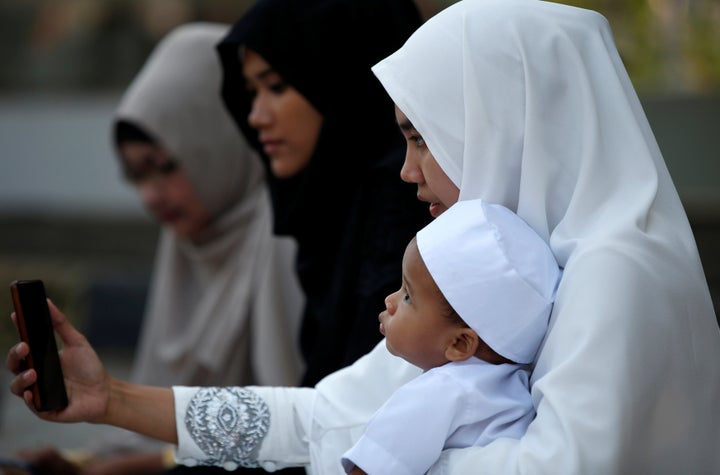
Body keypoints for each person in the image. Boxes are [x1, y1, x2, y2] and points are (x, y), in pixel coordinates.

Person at [8, 0, 720, 473]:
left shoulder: (618, 268)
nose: (407, 170)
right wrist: (116, 399)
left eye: (423, 138)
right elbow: (330, 411)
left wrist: (386, 448)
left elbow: (557, 466)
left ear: (503, 123)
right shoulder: (490, 270)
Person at [15, 22, 304, 475]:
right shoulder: (189, 243)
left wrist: (131, 468)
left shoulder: (288, 237)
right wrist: (85, 463)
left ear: (218, 136)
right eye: (136, 176)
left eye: (164, 167)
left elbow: (305, 430)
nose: (151, 196)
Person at [214, 0, 431, 387]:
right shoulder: (329, 203)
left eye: (277, 86)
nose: (256, 116)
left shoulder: (403, 199)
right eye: (252, 92)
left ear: (340, 77)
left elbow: (350, 410)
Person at [340, 198, 562, 475]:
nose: (390, 301)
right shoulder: (515, 391)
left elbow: (368, 469)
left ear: (459, 344)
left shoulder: (438, 392)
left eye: (408, 296)